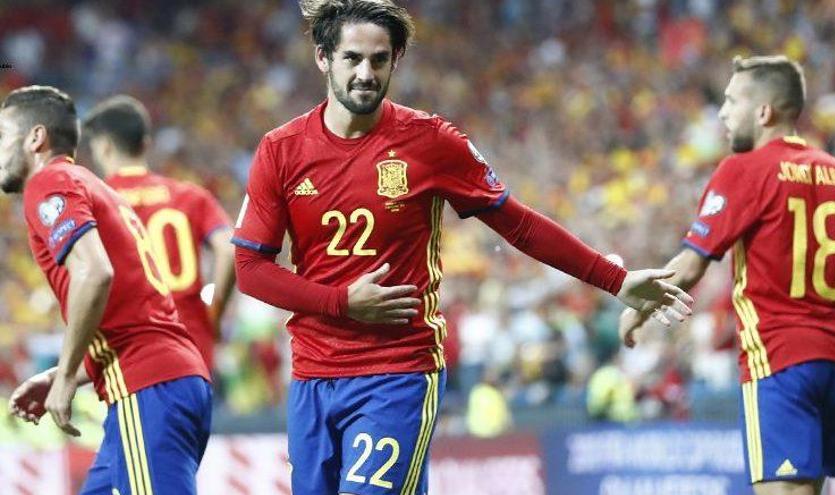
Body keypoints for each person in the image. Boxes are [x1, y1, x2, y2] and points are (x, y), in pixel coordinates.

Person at [232, 1, 693, 494]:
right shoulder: (280, 149)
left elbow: (520, 226)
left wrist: (615, 279)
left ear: (397, 59)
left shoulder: (429, 141)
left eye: (379, 60)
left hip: (397, 370)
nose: (366, 74)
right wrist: (342, 303)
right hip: (312, 376)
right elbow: (249, 268)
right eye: (352, 59)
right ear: (323, 58)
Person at [619, 55, 835, 495]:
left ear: (764, 112)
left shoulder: (744, 170)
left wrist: (638, 309)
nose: (722, 112)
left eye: (731, 101)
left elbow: (691, 264)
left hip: (779, 360)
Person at [2, 85, 211, 494]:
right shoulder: (94, 186)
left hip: (148, 386)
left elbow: (95, 274)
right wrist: (65, 373)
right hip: (162, 379)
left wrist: (64, 376)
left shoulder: (49, 181)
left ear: (35, 138)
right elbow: (129, 314)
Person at [83, 95, 236, 371]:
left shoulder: (94, 202)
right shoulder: (190, 195)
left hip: (134, 350)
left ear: (104, 147)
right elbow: (228, 249)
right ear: (146, 144)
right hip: (193, 344)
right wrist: (212, 309)